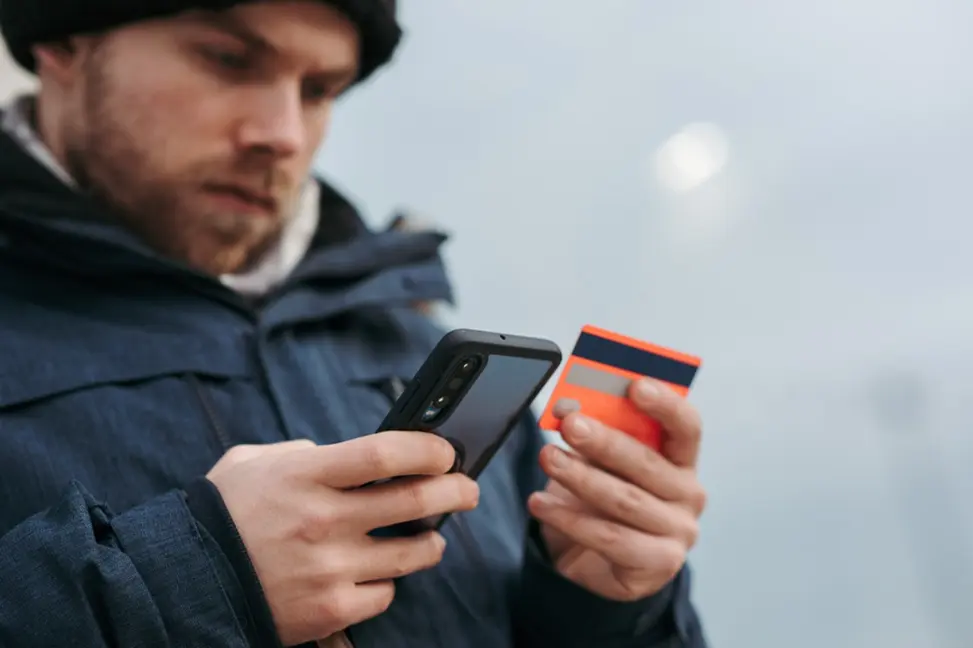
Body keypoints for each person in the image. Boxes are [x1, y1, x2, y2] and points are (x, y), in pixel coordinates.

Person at [0, 1, 710, 646]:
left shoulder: (408, 334)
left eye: (319, 91)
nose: (280, 134)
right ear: (64, 40)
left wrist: (607, 607)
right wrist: (189, 578)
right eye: (227, 60)